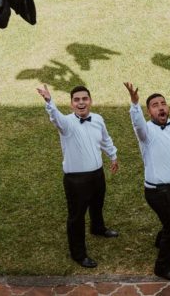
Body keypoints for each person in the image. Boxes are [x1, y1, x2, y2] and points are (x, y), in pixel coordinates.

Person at [36, 84, 119, 269]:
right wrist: (49, 101)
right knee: (77, 216)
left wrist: (113, 156)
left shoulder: (98, 119)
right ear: (71, 104)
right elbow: (55, 117)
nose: (81, 103)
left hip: (97, 174)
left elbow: (105, 139)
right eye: (77, 100)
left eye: (84, 99)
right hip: (76, 180)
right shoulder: (66, 123)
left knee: (97, 204)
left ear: (90, 101)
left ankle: (98, 228)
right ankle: (78, 254)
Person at [124, 82, 170, 281]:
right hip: (159, 191)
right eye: (155, 105)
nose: (161, 107)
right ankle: (163, 266)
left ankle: (162, 239)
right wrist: (134, 103)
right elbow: (137, 124)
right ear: (149, 112)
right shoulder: (145, 131)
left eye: (163, 103)